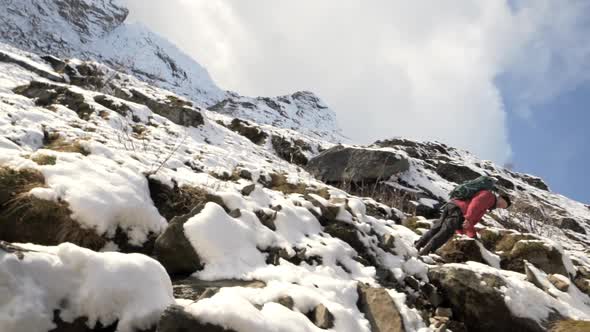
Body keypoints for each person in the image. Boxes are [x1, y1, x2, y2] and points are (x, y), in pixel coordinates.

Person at [414, 190, 511, 256]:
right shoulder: (490, 197)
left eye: (503, 207)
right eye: (503, 204)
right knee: (446, 232)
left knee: (437, 228)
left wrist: (471, 235)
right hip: (460, 210)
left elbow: (471, 220)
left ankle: (418, 245)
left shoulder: (488, 200)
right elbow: (475, 204)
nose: (501, 206)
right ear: (500, 198)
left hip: (453, 205)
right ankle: (425, 252)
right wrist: (468, 219)